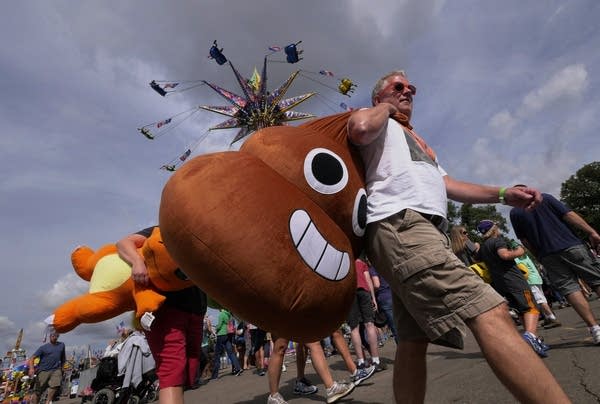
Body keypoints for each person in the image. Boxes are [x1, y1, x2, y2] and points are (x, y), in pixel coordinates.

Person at [347, 69, 569, 403]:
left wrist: (503, 192)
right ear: (378, 96)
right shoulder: (372, 117)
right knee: (490, 311)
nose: (407, 91)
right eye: (398, 87)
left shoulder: (417, 140)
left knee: (412, 340)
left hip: (425, 232)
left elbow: (449, 186)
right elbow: (361, 130)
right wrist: (387, 109)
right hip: (401, 223)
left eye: (412, 88)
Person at [118, 226, 207, 404]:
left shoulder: (199, 235)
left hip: (196, 311)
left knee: (186, 374)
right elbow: (123, 243)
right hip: (167, 310)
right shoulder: (161, 231)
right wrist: (137, 261)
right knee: (171, 375)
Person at [510, 186, 600, 344]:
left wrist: (539, 255)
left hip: (547, 254)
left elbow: (524, 240)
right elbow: (569, 215)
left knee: (570, 289)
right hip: (571, 245)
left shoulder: (515, 212)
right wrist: (591, 231)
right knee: (596, 279)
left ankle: (595, 329)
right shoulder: (545, 198)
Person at [476, 220, 546, 357]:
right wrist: (519, 251)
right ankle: (530, 336)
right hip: (514, 281)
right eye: (497, 226)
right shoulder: (497, 241)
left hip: (501, 284)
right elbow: (505, 255)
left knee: (521, 310)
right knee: (532, 307)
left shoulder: (484, 247)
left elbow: (478, 259)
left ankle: (533, 341)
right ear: (493, 229)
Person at [266, 336, 354, 404]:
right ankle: (274, 396)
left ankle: (331, 387)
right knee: (280, 346)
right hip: (280, 315)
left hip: (293, 314)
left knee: (311, 341)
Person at [511, 241, 561, 329]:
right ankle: (547, 318)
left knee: (539, 300)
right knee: (542, 299)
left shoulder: (516, 259)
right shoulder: (526, 257)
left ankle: (553, 318)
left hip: (530, 280)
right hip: (537, 279)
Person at [347, 257, 385, 371]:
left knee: (354, 328)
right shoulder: (360, 263)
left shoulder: (343, 263)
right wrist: (373, 298)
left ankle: (361, 362)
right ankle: (375, 360)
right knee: (370, 325)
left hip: (349, 294)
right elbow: (368, 280)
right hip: (363, 292)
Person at [28, 331, 66, 404]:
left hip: (56, 369)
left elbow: (63, 358)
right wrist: (31, 368)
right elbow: (32, 358)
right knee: (38, 392)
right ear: (50, 336)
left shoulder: (62, 345)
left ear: (58, 336)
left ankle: (48, 401)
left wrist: (62, 368)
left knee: (55, 385)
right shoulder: (43, 348)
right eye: (53, 336)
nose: (54, 337)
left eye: (56, 336)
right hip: (43, 370)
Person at [210, 308, 242, 379]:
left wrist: (215, 329)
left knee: (217, 355)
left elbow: (219, 326)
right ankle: (238, 368)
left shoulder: (221, 314)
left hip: (221, 335)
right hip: (228, 335)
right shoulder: (229, 315)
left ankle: (215, 375)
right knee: (230, 353)